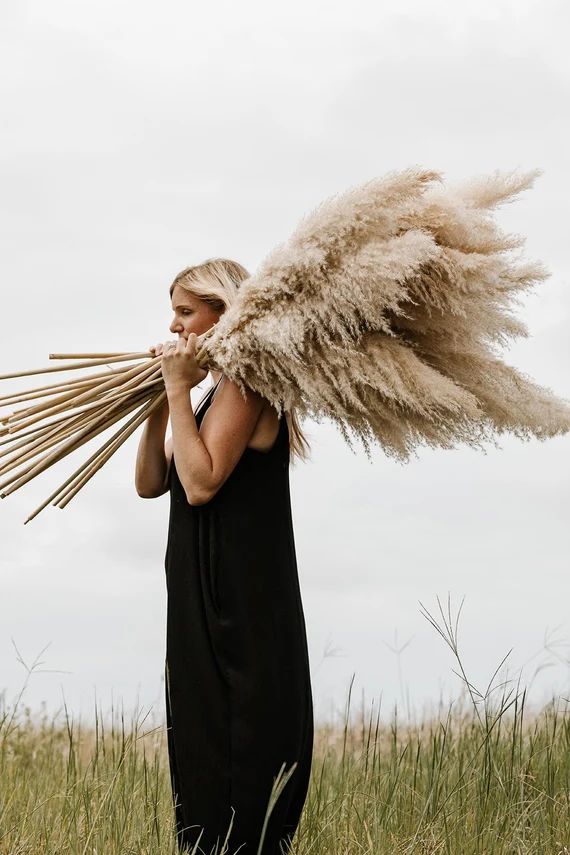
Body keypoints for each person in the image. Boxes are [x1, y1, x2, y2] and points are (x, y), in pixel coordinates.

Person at [135, 258, 314, 855]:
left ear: (223, 313)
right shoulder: (208, 391)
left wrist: (180, 390)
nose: (175, 325)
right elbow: (150, 480)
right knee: (200, 739)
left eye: (186, 312)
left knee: (241, 752)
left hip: (240, 603)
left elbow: (202, 482)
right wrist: (161, 400)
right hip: (200, 595)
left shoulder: (248, 383)